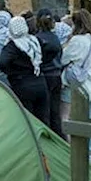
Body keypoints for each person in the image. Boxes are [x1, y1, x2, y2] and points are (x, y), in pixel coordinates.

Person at [0, 15, 50, 126]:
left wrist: (12, 72)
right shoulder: (35, 41)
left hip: (22, 85)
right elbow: (50, 50)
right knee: (43, 120)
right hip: (40, 82)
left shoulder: (12, 46)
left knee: (27, 121)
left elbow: (2, 63)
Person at [60, 9, 91, 137]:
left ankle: (71, 147)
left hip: (76, 82)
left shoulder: (77, 40)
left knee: (66, 114)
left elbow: (64, 59)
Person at [35, 8, 65, 136]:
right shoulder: (55, 38)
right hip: (57, 76)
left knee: (44, 111)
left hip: (44, 76)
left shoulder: (37, 39)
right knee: (55, 111)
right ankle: (59, 136)